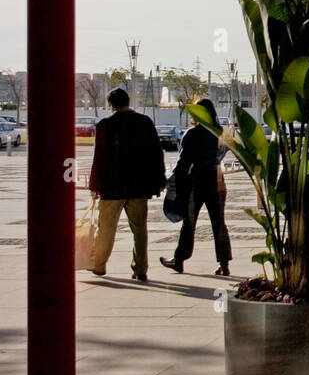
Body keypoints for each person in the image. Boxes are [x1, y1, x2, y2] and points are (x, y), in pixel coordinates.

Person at [88, 87, 166, 282]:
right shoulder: (144, 122)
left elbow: (100, 157)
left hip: (112, 187)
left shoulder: (105, 125)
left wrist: (94, 184)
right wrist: (159, 180)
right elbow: (156, 154)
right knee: (139, 230)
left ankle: (99, 264)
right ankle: (140, 269)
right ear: (128, 101)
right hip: (139, 186)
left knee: (106, 229)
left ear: (111, 104)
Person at [161, 98, 233, 276]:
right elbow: (222, 154)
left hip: (196, 182)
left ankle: (179, 260)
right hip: (217, 180)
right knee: (219, 223)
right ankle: (224, 264)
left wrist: (171, 180)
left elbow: (184, 161)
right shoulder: (222, 133)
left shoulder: (191, 134)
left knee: (189, 222)